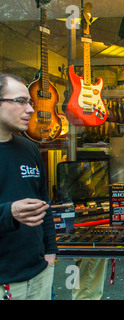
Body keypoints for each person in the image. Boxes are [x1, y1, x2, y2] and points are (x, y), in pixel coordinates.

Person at [0, 73, 57, 300]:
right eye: (21, 101)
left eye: (30, 102)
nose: (31, 109)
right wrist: (8, 212)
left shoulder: (29, 148)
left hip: (39, 272)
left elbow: (44, 201)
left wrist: (51, 251)